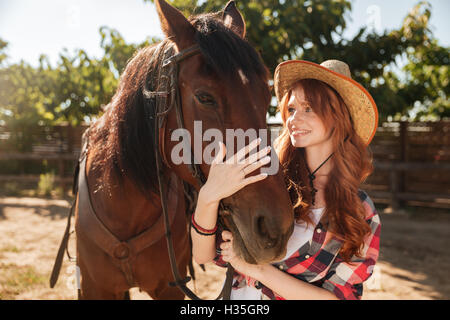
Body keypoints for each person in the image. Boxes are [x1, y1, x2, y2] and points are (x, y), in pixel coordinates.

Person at [190, 59, 381, 300]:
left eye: (308, 108)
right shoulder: (268, 180)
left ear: (337, 116)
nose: (293, 119)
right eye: (291, 110)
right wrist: (208, 197)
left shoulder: (360, 211)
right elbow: (203, 255)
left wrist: (255, 269)